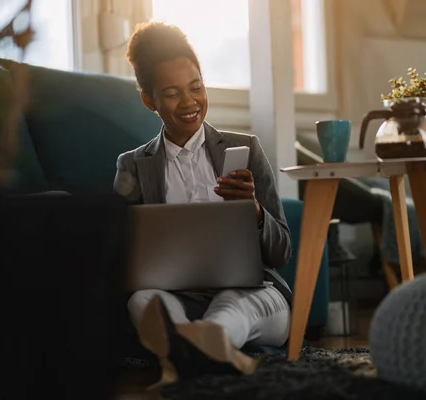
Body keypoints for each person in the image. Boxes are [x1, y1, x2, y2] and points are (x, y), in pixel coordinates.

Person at [113, 21, 293, 384]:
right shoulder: (132, 165)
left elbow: (282, 252)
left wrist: (255, 211)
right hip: (176, 299)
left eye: (196, 87)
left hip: (252, 295)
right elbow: (117, 254)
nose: (190, 102)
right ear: (150, 100)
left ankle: (184, 358)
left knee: (232, 307)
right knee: (141, 301)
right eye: (172, 93)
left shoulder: (246, 149)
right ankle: (210, 358)